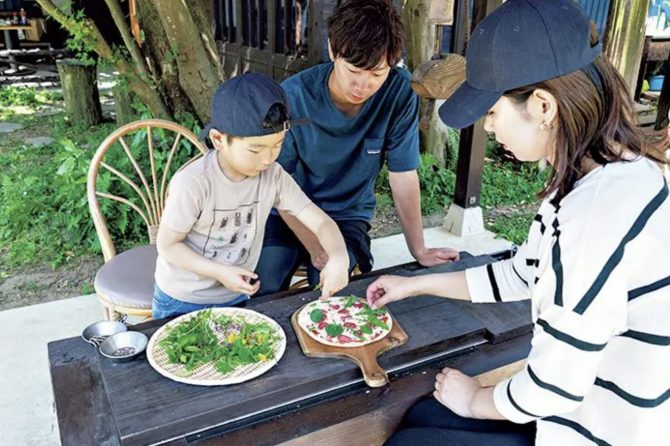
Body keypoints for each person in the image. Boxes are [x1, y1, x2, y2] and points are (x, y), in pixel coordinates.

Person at [366, 1, 670, 445]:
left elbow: (554, 385)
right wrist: (413, 284)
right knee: (425, 412)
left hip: (595, 429)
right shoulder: (610, 170)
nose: (487, 129)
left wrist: (476, 401)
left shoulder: (596, 216)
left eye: (492, 113)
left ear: (543, 105)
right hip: (574, 409)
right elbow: (523, 272)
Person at [255, 0, 459, 295]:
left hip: (347, 216)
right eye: (353, 70)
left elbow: (403, 174)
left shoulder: (400, 93)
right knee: (265, 288)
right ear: (333, 51)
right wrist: (316, 249)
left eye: (377, 74)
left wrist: (419, 249)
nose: (362, 85)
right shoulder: (293, 96)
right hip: (292, 214)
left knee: (338, 293)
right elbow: (279, 186)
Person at [153, 72, 350, 320]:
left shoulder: (273, 176)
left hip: (235, 296)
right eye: (255, 149)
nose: (268, 159)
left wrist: (339, 258)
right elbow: (168, 245)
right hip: (182, 300)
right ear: (218, 139)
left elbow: (321, 222)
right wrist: (219, 272)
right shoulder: (194, 183)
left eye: (277, 145)